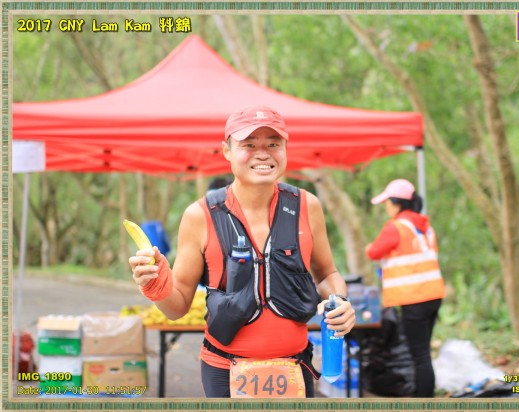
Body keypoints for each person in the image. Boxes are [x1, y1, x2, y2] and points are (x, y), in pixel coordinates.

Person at [129, 105, 355, 398]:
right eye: (248, 145)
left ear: (285, 149)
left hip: (295, 368)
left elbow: (327, 274)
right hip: (224, 370)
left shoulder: (306, 206)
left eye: (273, 144)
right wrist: (156, 286)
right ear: (227, 150)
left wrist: (339, 301)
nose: (263, 154)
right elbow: (177, 307)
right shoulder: (200, 215)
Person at [365, 179, 445, 398]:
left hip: (414, 298)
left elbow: (373, 252)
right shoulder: (425, 227)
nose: (386, 207)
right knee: (423, 351)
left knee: (419, 355)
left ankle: (423, 401)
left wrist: (370, 247)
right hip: (433, 295)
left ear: (396, 203)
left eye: (387, 202)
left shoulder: (397, 226)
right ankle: (423, 396)